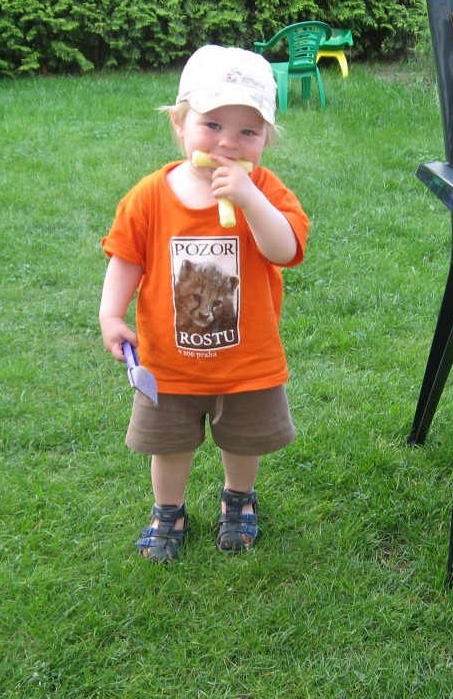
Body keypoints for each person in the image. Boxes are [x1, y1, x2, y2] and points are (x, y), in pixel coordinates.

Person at [99, 45, 310, 563]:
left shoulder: (265, 190)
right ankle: (168, 510)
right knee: (168, 444)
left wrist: (250, 198)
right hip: (169, 363)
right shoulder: (150, 196)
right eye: (212, 124)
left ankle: (238, 499)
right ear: (179, 123)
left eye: (248, 132)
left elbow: (284, 250)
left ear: (267, 138)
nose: (228, 142)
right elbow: (126, 258)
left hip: (246, 360)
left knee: (243, 440)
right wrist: (110, 313)